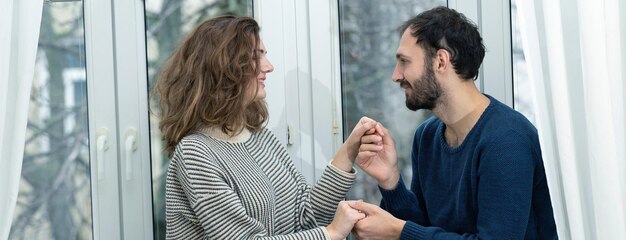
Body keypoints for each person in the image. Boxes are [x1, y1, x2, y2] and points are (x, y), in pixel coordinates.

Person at [153, 16, 381, 239]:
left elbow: (305, 216)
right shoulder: (195, 153)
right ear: (222, 67)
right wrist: (330, 233)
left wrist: (349, 150)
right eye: (255, 57)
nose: (269, 67)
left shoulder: (259, 137)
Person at [350, 6, 558, 239]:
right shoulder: (426, 136)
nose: (396, 75)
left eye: (404, 62)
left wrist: (398, 231)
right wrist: (390, 181)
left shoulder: (506, 140)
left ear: (440, 61)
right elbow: (424, 228)